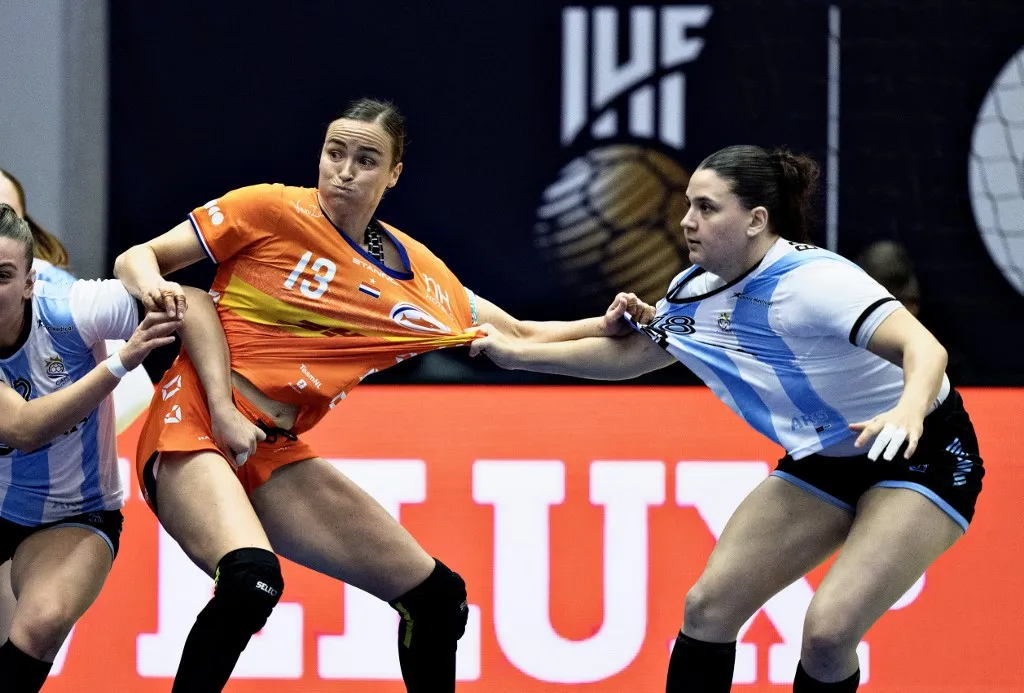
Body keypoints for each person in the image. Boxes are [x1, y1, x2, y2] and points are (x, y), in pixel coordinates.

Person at [112, 97, 633, 692]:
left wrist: (602, 325)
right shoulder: (267, 209)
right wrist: (155, 290)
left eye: (366, 160)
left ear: (393, 175)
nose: (344, 171)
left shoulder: (420, 279)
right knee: (250, 581)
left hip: (270, 446)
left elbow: (517, 333)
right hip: (197, 416)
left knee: (437, 599)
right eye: (334, 153)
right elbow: (140, 257)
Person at [470, 145, 984, 692]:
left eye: (707, 207)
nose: (687, 221)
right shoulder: (696, 290)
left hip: (921, 452)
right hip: (824, 462)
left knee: (828, 635)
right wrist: (517, 352)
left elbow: (924, 348)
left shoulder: (815, 282)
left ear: (756, 220)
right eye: (688, 205)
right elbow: (630, 355)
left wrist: (907, 412)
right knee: (708, 608)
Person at [0, 203, 182, 692]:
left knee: (41, 622)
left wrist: (226, 406)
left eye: (2, 276)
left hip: (75, 514)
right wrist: (120, 362)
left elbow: (190, 305)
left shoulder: (71, 306)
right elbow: (23, 428)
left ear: (29, 282)